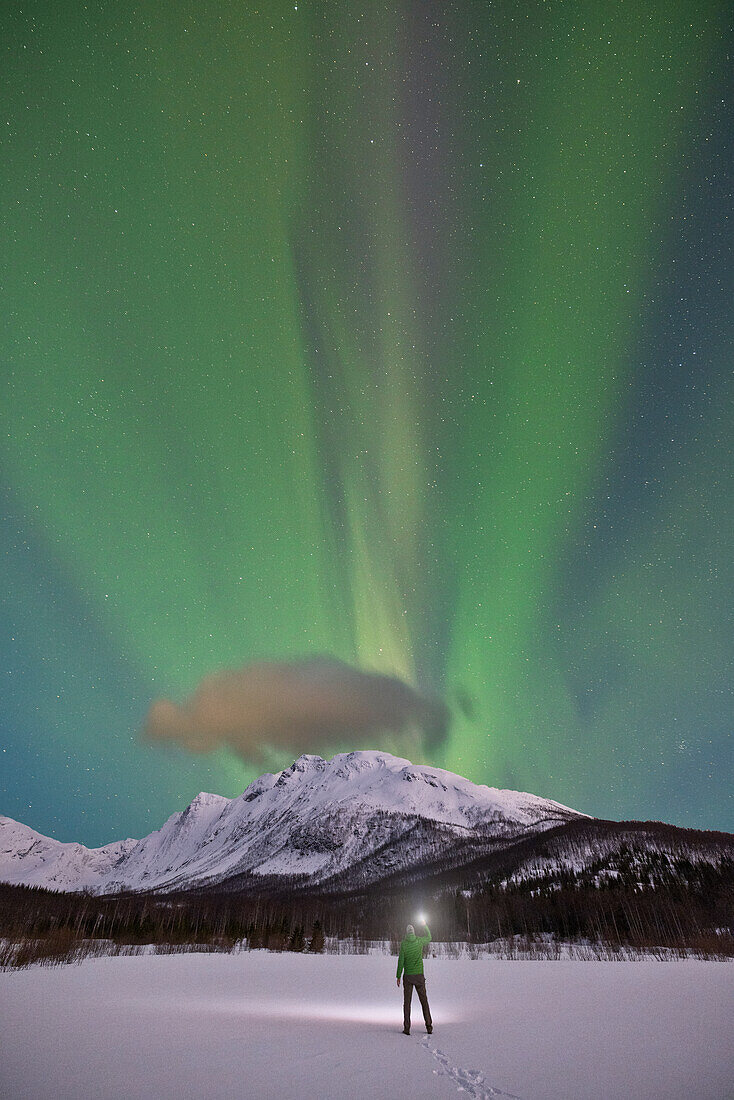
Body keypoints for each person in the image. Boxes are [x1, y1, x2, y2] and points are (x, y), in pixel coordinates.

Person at [396, 920, 433, 1035]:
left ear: (406, 933)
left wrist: (398, 976)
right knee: (424, 1002)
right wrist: (425, 926)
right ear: (414, 932)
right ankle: (429, 1026)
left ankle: (407, 1028)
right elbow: (429, 937)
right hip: (419, 977)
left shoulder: (404, 944)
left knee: (407, 1003)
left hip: (408, 977)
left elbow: (401, 961)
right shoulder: (419, 941)